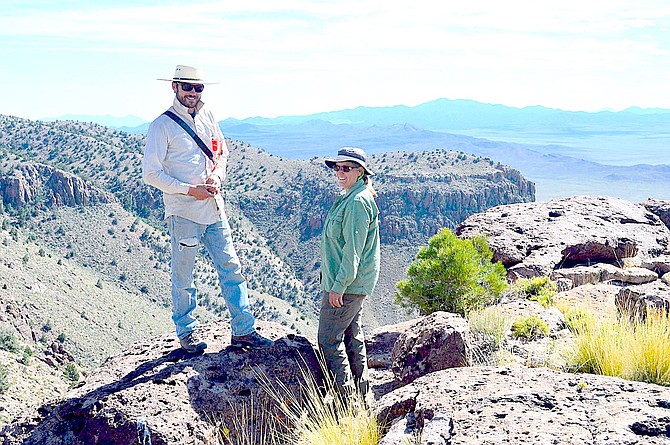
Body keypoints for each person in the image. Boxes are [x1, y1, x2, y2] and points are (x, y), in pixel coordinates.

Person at [142, 64, 273, 353]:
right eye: (187, 86)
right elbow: (151, 174)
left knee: (231, 268)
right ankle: (186, 332)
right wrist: (191, 190)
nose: (192, 92)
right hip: (183, 211)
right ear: (174, 86)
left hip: (214, 207)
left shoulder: (209, 115)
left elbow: (221, 150)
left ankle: (243, 329)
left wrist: (217, 175)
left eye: (198, 87)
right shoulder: (161, 125)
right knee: (184, 275)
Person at [318, 147, 380, 399]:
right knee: (352, 335)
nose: (339, 172)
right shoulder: (350, 196)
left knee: (328, 341)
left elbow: (352, 252)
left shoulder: (356, 202)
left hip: (348, 285)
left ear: (360, 171)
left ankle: (346, 403)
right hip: (349, 282)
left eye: (346, 168)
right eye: (337, 167)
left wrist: (339, 286)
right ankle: (363, 397)